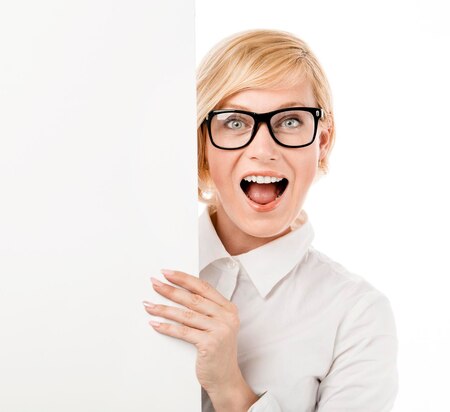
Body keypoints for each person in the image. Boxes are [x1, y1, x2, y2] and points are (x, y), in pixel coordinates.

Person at [142, 29, 398, 411]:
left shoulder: (357, 315)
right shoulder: (137, 266)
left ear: (322, 141)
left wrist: (231, 388)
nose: (263, 150)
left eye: (291, 122)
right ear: (202, 140)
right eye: (234, 122)